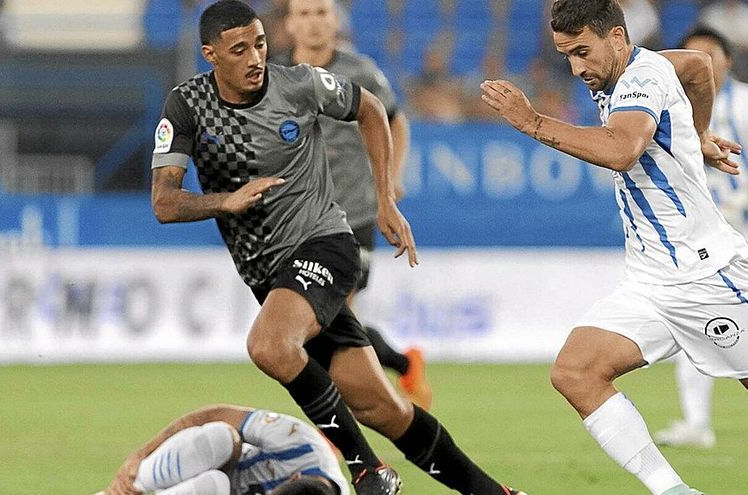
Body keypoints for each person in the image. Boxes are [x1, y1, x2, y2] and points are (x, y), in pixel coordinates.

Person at [151, 2, 521, 494]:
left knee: (270, 346)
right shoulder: (186, 106)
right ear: (211, 54)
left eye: (260, 44)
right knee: (383, 408)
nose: (255, 57)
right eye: (239, 50)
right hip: (270, 273)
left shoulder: (299, 83)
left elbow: (371, 108)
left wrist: (385, 197)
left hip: (326, 242)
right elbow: (164, 201)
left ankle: (368, 470)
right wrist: (226, 200)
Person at [479, 0, 748, 494]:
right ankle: (674, 491)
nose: (576, 69)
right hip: (650, 282)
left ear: (616, 37)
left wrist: (532, 123)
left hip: (704, 278)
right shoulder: (637, 65)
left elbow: (620, 149)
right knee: (575, 372)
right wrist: (695, 135)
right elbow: (697, 67)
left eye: (583, 52)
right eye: (567, 56)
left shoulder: (640, 81)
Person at [273, 0, 431, 410]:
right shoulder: (273, 76)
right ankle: (401, 362)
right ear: (290, 23)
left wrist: (391, 179)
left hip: (352, 215)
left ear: (335, 20)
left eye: (321, 12)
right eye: (304, 14)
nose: (313, 22)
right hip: (295, 219)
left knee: (332, 316)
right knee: (329, 323)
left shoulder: (361, 72)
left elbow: (396, 120)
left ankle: (339, 416)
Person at [654, 26, 748, 449]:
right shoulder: (672, 103)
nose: (702, 63)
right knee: (694, 321)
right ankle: (696, 423)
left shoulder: (746, 101)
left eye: (710, 54)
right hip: (705, 237)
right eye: (692, 55)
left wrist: (742, 200)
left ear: (728, 60)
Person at [98, 404, 348, 495]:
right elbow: (215, 414)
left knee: (215, 486)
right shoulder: (298, 442)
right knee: (221, 437)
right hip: (191, 471)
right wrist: (141, 455)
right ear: (295, 476)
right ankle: (128, 488)